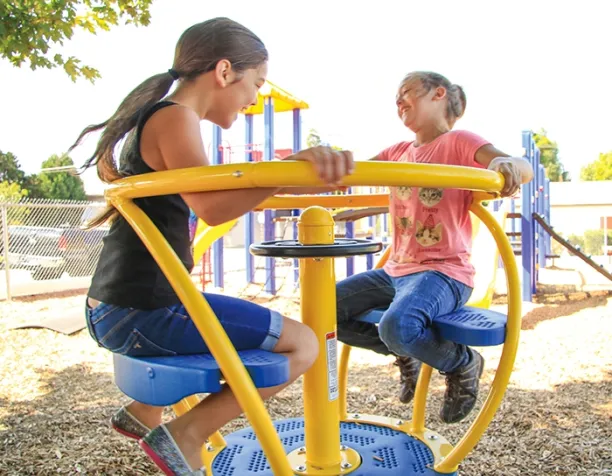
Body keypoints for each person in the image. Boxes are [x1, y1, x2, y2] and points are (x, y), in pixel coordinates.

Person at [70, 17, 354, 475]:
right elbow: (213, 207)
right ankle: (187, 433)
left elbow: (222, 191)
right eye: (255, 83)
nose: (256, 97)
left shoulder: (163, 116)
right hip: (144, 313)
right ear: (225, 72)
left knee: (236, 320)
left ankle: (145, 410)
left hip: (121, 306)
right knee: (303, 345)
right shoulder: (175, 118)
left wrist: (288, 181)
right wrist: (286, 170)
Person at [335, 71, 533, 424]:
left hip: (443, 272)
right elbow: (356, 171)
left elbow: (521, 166)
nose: (399, 102)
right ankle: (405, 353)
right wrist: (328, 172)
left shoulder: (458, 142)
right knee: (324, 307)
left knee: (397, 325)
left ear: (438, 94)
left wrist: (507, 165)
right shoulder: (398, 153)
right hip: (396, 270)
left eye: (407, 92)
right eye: (396, 97)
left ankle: (462, 363)